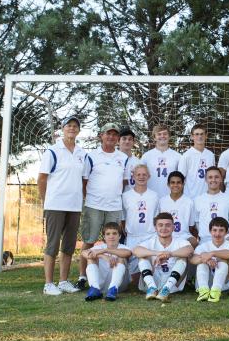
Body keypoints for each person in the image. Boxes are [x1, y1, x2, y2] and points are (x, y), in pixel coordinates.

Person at [38, 115, 87, 295]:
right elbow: (42, 179)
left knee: (68, 245)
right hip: (55, 204)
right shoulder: (52, 151)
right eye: (69, 125)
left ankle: (63, 281)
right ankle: (48, 284)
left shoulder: (82, 153)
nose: (72, 128)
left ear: (79, 130)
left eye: (75, 126)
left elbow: (83, 181)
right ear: (62, 129)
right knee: (52, 245)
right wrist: (46, 201)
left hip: (74, 206)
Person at [77, 122, 129, 290]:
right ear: (101, 135)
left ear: (117, 138)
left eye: (114, 134)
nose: (111, 137)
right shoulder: (91, 156)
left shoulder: (123, 158)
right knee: (89, 241)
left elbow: (124, 182)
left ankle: (114, 279)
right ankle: (82, 277)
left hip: (114, 206)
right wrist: (90, 200)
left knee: (114, 242)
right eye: (108, 134)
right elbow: (84, 181)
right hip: (94, 206)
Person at [133, 212, 194, 302]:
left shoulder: (180, 241)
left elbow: (190, 250)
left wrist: (170, 254)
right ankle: (152, 287)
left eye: (168, 225)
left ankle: (166, 289)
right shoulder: (150, 241)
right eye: (160, 225)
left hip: (173, 285)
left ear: (173, 227)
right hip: (153, 280)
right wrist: (157, 253)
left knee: (183, 258)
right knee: (142, 257)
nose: (164, 228)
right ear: (155, 228)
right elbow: (136, 251)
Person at [121, 164, 159, 283]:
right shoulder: (126, 196)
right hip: (133, 236)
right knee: (134, 279)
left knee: (152, 267)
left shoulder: (154, 195)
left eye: (144, 174)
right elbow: (123, 219)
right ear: (133, 176)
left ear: (149, 176)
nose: (141, 177)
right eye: (138, 174)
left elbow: (156, 218)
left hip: (150, 235)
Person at [190, 217, 229, 302]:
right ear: (210, 231)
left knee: (223, 262)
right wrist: (207, 260)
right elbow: (193, 259)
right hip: (205, 281)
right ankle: (203, 291)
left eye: (221, 230)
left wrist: (212, 254)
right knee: (202, 262)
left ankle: (215, 291)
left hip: (223, 284)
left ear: (226, 232)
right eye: (214, 230)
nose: (217, 234)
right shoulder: (203, 246)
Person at [81, 222, 131, 301]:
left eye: (114, 233)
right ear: (104, 237)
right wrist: (103, 256)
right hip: (100, 284)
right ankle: (94, 288)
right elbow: (84, 253)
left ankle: (113, 289)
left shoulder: (123, 247)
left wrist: (106, 250)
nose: (111, 236)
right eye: (108, 234)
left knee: (121, 258)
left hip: (119, 286)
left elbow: (127, 253)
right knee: (91, 258)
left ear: (119, 236)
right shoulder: (99, 247)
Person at [194, 167, 229, 244]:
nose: (213, 180)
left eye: (216, 177)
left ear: (221, 179)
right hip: (205, 240)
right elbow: (197, 221)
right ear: (206, 179)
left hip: (224, 239)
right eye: (210, 177)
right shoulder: (198, 200)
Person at [159, 171, 198, 247]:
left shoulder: (189, 202)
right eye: (172, 182)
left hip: (184, 235)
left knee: (194, 242)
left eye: (178, 182)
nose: (175, 185)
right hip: (166, 234)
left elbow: (191, 226)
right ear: (168, 184)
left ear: (183, 184)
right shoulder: (162, 201)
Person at [141, 124, 181, 197]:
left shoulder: (178, 156)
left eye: (165, 134)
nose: (162, 136)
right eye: (159, 134)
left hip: (171, 197)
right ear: (154, 138)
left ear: (169, 136)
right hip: (150, 197)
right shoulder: (146, 156)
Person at [178, 124, 215, 199]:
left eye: (202, 134)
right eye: (197, 134)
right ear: (192, 137)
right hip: (191, 197)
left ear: (206, 136)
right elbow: (180, 179)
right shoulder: (186, 156)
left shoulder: (210, 155)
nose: (200, 136)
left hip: (208, 197)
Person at [119, 126, 140, 192]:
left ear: (133, 142)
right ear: (118, 141)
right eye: (124, 139)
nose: (127, 141)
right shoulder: (112, 160)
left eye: (130, 139)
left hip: (132, 200)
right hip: (114, 200)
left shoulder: (138, 162)